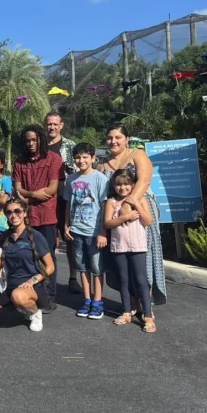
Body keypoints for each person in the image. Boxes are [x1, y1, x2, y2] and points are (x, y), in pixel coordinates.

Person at [98, 124, 166, 305]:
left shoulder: (137, 155)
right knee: (121, 260)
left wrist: (128, 205)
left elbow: (143, 181)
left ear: (127, 139)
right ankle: (132, 303)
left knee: (143, 257)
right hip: (114, 218)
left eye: (118, 137)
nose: (113, 141)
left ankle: (146, 305)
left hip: (140, 210)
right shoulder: (102, 165)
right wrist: (104, 228)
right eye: (110, 138)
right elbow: (102, 197)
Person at [12, 125, 63, 311]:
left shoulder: (54, 159)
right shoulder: (19, 162)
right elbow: (18, 190)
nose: (31, 143)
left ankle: (49, 297)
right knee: (28, 256)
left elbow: (51, 190)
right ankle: (31, 293)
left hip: (47, 216)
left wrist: (27, 195)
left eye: (34, 139)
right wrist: (34, 194)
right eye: (27, 140)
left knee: (47, 257)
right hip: (27, 217)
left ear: (41, 139)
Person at [104, 169, 156, 333]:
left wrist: (138, 207)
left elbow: (148, 221)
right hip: (119, 246)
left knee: (141, 280)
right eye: (119, 184)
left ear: (133, 184)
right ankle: (126, 311)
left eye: (126, 184)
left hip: (138, 246)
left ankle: (147, 315)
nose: (122, 187)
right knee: (124, 280)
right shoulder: (111, 202)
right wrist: (125, 217)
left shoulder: (140, 199)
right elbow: (107, 223)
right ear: (114, 185)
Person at [63, 143, 109, 320]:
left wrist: (103, 231)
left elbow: (105, 205)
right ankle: (87, 299)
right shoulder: (71, 179)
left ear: (92, 159)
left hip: (94, 231)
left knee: (96, 268)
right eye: (77, 157)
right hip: (77, 230)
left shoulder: (100, 179)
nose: (81, 161)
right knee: (82, 267)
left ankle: (98, 302)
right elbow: (69, 203)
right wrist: (67, 225)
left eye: (84, 157)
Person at [0, 198, 56, 332]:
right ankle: (18, 304)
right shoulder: (5, 237)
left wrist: (33, 280)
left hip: (33, 287)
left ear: (24, 213)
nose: (13, 215)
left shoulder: (35, 236)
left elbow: (50, 267)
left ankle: (35, 313)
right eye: (9, 212)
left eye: (17, 211)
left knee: (19, 296)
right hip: (10, 286)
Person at [46, 112, 81, 295]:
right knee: (47, 240)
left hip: (67, 199)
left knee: (70, 239)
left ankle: (73, 277)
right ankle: (46, 278)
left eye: (55, 124)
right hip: (45, 200)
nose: (52, 127)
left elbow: (79, 171)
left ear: (61, 125)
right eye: (49, 124)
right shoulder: (40, 146)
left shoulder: (70, 146)